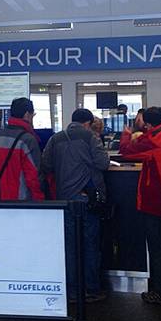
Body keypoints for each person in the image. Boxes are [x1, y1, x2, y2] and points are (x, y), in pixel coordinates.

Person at [40, 108, 110, 303]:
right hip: (87, 198)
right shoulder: (91, 137)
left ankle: (71, 291)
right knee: (90, 244)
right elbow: (103, 163)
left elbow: (46, 165)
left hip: (64, 199)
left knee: (69, 246)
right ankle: (91, 289)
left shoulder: (55, 139)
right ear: (88, 123)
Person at [119, 107, 161, 306]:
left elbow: (126, 151)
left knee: (158, 249)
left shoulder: (151, 141)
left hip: (156, 201)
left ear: (148, 124)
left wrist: (126, 134)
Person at [0, 97, 44, 201]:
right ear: (27, 115)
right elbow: (33, 176)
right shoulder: (27, 140)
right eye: (32, 115)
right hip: (22, 200)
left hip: (2, 196)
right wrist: (40, 199)